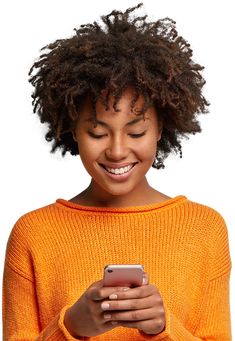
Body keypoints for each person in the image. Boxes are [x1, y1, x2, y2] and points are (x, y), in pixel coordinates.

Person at [2, 3, 232, 340]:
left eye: (136, 132)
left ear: (160, 128)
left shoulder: (204, 230)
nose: (118, 150)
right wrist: (71, 328)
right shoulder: (33, 234)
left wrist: (164, 328)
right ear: (72, 131)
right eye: (97, 133)